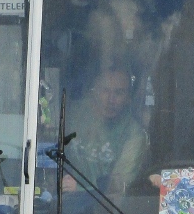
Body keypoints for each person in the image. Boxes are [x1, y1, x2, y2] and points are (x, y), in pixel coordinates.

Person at [62, 68, 147, 197]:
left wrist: (80, 188)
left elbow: (119, 185)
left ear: (129, 98)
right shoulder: (73, 114)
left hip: (108, 209)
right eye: (105, 90)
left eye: (118, 93)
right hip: (65, 203)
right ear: (94, 91)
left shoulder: (134, 134)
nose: (110, 100)